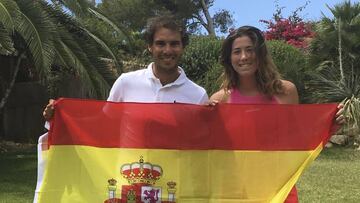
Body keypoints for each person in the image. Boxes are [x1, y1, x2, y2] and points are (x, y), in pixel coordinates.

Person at [37, 15, 208, 201]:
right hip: (126, 183)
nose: (168, 50)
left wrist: (215, 116)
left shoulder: (197, 95)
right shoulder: (126, 83)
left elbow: (203, 147)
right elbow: (102, 125)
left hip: (171, 187)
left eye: (174, 44)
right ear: (150, 46)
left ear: (183, 47)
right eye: (161, 43)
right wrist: (60, 117)